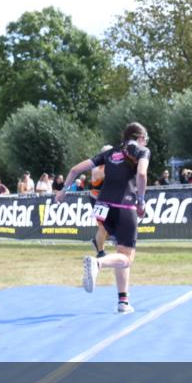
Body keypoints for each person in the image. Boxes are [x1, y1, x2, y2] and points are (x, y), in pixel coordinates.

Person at [57, 122, 150, 314]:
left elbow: (75, 169)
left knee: (120, 251)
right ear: (140, 137)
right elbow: (141, 173)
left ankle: (123, 301)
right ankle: (98, 263)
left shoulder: (110, 153)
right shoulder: (142, 151)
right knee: (126, 258)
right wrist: (141, 200)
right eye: (145, 138)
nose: (146, 142)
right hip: (125, 206)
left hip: (102, 206)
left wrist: (63, 190)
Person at [88, 145, 112, 259]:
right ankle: (101, 252)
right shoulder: (97, 167)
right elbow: (102, 175)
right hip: (98, 199)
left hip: (107, 199)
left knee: (111, 227)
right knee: (103, 227)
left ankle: (96, 242)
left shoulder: (110, 166)